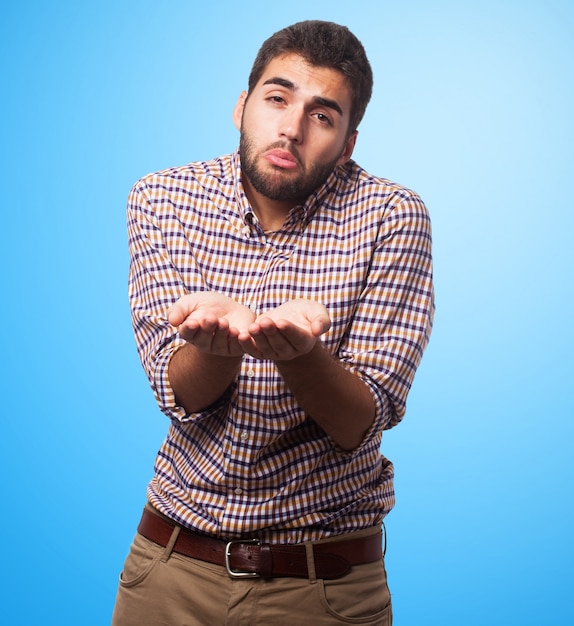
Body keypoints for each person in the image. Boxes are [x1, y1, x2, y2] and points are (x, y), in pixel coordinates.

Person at [112, 19, 434, 626]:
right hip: (171, 570)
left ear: (348, 142)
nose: (291, 128)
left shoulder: (393, 216)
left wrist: (301, 356)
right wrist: (223, 344)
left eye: (322, 115)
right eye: (277, 98)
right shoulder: (161, 200)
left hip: (325, 585)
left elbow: (360, 422)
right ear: (243, 105)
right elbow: (175, 390)